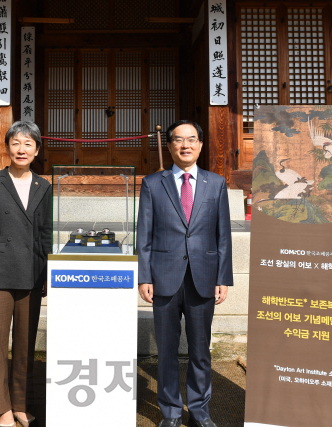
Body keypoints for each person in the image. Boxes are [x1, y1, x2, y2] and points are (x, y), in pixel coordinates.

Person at [136, 120, 233, 427]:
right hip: (164, 277)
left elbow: (224, 236)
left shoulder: (215, 183)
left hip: (203, 278)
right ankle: (170, 412)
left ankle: (200, 413)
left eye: (192, 139)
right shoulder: (153, 183)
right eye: (179, 140)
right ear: (169, 146)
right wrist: (144, 276)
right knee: (165, 351)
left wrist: (223, 278)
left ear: (201, 145)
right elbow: (145, 234)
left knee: (200, 351)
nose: (185, 145)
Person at [0, 121, 52, 427]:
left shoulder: (44, 186)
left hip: (31, 275)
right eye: (16, 143)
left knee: (25, 345)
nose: (21, 149)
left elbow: (45, 235)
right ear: (8, 147)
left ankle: (19, 403)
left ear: (37, 150)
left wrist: (46, 276)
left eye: (28, 144)